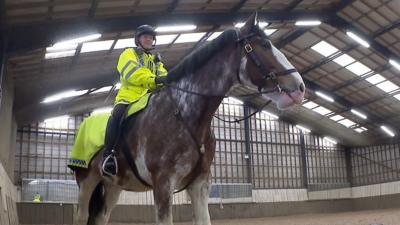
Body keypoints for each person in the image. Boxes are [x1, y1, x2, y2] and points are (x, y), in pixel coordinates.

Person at [102, 25, 168, 176]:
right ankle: (109, 155)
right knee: (117, 115)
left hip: (149, 97)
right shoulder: (128, 53)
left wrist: (166, 79)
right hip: (129, 97)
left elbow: (164, 74)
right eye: (145, 37)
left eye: (151, 37)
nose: (149, 39)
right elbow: (133, 73)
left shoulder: (155, 61)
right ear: (138, 39)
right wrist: (155, 80)